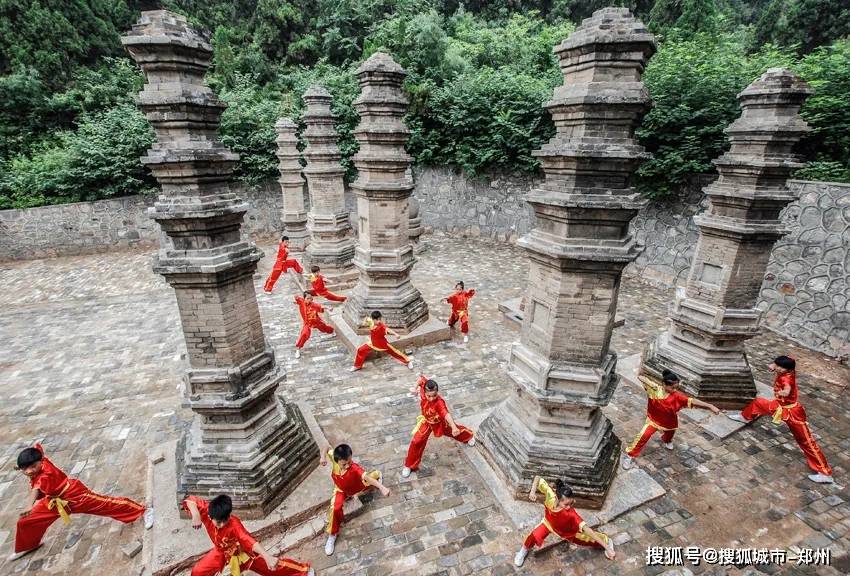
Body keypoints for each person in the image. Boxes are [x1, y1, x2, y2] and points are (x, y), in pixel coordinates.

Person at [10, 443, 153, 561]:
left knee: (107, 504)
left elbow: (36, 490)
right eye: (25, 469)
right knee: (26, 520)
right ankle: (28, 545)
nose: (29, 471)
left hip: (74, 495)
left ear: (41, 462)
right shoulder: (40, 457)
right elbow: (37, 450)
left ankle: (144, 511)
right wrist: (22, 466)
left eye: (32, 467)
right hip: (54, 501)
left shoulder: (44, 475)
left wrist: (29, 505)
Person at [728, 356, 834, 484]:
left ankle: (825, 473)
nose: (777, 367)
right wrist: (775, 365)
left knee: (807, 442)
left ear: (787, 369)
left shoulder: (786, 378)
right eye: (777, 365)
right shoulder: (788, 369)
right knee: (759, 402)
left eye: (780, 366)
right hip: (779, 406)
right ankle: (745, 417)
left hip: (792, 412)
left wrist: (785, 392)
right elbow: (788, 359)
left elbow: (787, 388)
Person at [183, 494, 313, 576]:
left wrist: (267, 556)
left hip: (243, 554)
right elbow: (190, 499)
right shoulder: (207, 511)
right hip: (221, 552)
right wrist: (195, 515)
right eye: (219, 522)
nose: (222, 525)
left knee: (272, 568)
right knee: (198, 572)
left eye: (225, 520)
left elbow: (248, 540)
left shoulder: (234, 524)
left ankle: (303, 570)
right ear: (210, 516)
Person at [622, 369, 720, 470]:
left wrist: (709, 406)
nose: (675, 390)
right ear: (664, 384)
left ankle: (667, 440)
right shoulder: (653, 389)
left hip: (669, 423)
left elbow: (692, 401)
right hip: (652, 420)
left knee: (669, 435)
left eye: (676, 387)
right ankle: (630, 455)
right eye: (672, 387)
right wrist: (651, 384)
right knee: (642, 437)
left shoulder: (677, 396)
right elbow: (640, 377)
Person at [514, 476, 615, 567]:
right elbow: (537, 478)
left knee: (587, 540)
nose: (569, 507)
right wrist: (532, 491)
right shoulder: (550, 495)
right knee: (534, 535)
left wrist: (608, 548)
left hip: (569, 533)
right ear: (558, 499)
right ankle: (524, 550)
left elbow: (588, 530)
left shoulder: (571, 514)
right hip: (548, 524)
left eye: (570, 503)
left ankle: (606, 540)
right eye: (566, 504)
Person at [319, 443, 390, 556]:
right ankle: (332, 534)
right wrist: (322, 457)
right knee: (335, 508)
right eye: (344, 464)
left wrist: (382, 487)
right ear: (337, 460)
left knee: (369, 479)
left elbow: (366, 477)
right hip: (340, 489)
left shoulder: (355, 468)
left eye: (349, 462)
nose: (348, 465)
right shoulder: (334, 456)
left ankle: (377, 473)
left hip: (357, 486)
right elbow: (326, 447)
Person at [402, 375, 474, 478]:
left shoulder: (439, 402)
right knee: (416, 441)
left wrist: (453, 427)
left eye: (434, 396)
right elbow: (421, 379)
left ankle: (469, 436)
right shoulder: (424, 388)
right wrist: (414, 387)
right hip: (426, 422)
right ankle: (409, 465)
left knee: (454, 431)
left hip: (439, 424)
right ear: (424, 392)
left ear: (437, 392)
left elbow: (446, 414)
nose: (431, 399)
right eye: (429, 396)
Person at [294, 291, 334, 358]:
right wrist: (296, 301)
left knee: (324, 328)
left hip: (316, 321)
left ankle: (332, 330)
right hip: (307, 323)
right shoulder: (301, 302)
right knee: (304, 334)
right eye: (308, 298)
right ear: (304, 298)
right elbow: (297, 298)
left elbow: (321, 306)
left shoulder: (313, 305)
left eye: (311, 298)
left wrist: (328, 308)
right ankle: (298, 349)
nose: (310, 300)